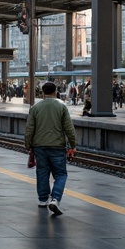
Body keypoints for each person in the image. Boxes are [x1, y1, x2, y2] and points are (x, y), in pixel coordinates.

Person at [24, 82, 76, 215]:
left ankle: (43, 199)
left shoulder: (35, 107)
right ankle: (55, 198)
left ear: (42, 92)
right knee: (60, 174)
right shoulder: (61, 106)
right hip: (57, 146)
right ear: (55, 92)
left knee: (42, 172)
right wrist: (73, 145)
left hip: (39, 146)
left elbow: (29, 129)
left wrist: (28, 144)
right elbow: (69, 128)